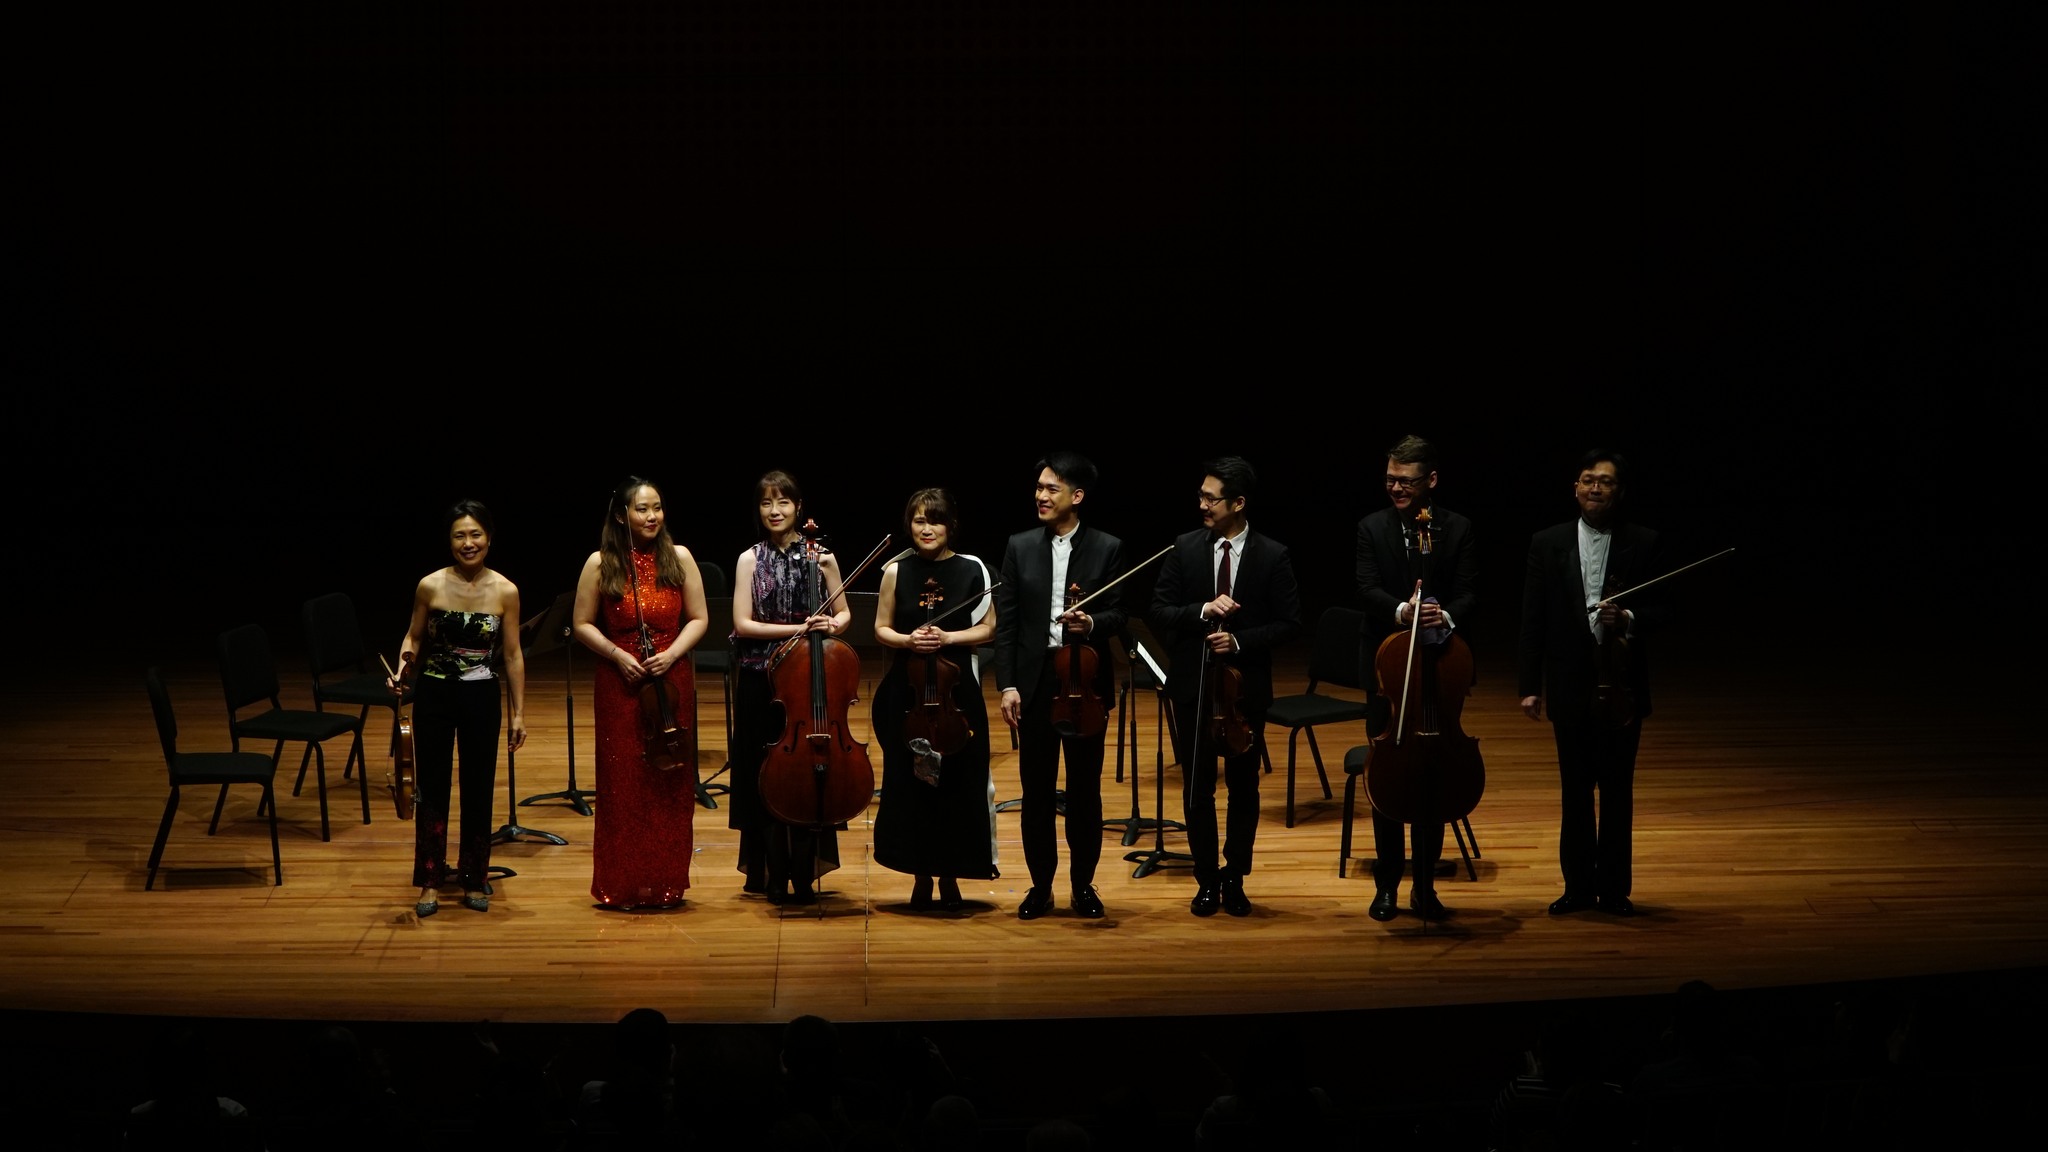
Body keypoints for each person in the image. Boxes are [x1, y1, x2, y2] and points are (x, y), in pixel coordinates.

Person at [1149, 457, 1300, 918]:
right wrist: (1202, 610)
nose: (1202, 505)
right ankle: (1206, 878)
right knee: (1198, 789)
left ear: (1238, 503)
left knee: (1243, 788)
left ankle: (1235, 876)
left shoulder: (1272, 555)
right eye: (1201, 495)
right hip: (1193, 686)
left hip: (1243, 691)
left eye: (1211, 498)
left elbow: (1289, 623)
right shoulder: (1184, 547)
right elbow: (1159, 609)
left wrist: (1238, 641)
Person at [1518, 450, 1668, 916]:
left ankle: (1615, 891)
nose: (1595, 488)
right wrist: (1530, 684)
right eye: (1588, 480)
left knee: (1618, 791)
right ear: (1576, 488)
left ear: (1619, 492)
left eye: (1605, 481)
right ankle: (1578, 888)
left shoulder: (1644, 541)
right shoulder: (1547, 542)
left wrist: (1629, 618)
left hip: (1622, 688)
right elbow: (1533, 618)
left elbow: (1667, 611)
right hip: (1569, 686)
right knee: (1576, 791)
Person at [993, 452, 1126, 920]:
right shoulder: (1020, 545)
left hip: (1084, 678)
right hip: (1034, 681)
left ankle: (1083, 886)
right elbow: (1007, 624)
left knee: (1085, 791)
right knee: (1036, 791)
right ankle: (1041, 886)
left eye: (1051, 488)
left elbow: (1118, 613)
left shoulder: (1107, 547)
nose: (1041, 496)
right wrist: (1007, 684)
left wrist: (1092, 622)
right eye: (1039, 488)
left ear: (1077, 496)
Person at [1354, 434, 1478, 922]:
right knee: (1388, 774)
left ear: (1431, 480)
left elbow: (1469, 591)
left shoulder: (1457, 528)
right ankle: (1386, 884)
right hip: (1386, 669)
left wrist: (1443, 615)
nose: (1396, 489)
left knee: (1434, 774)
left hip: (1440, 666)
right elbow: (1366, 587)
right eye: (1390, 480)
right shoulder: (1371, 527)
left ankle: (1425, 886)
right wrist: (1403, 611)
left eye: (1406, 481)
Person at [572, 476, 708, 910]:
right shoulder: (600, 562)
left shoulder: (679, 556)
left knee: (670, 780)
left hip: (670, 679)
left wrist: (672, 655)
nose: (652, 516)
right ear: (620, 515)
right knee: (624, 784)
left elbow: (699, 618)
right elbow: (581, 624)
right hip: (620, 681)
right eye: (642, 509)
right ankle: (623, 884)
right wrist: (617, 655)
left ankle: (666, 882)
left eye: (657, 508)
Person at [396, 498, 526, 918]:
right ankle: (430, 879)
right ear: (449, 541)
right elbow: (414, 637)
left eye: (475, 535)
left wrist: (518, 713)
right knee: (431, 789)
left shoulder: (505, 590)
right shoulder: (430, 585)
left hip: (481, 696)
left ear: (489, 538)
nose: (468, 543)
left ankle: (474, 876)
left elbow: (512, 655)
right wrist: (403, 669)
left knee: (478, 788)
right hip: (434, 693)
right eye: (459, 536)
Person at [872, 488, 999, 910]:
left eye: (936, 521)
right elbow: (881, 628)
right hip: (907, 692)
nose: (927, 529)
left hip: (956, 691)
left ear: (951, 526)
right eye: (919, 521)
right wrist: (908, 640)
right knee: (911, 783)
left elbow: (989, 629)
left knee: (959, 782)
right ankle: (920, 874)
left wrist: (949, 637)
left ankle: (951, 874)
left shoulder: (973, 569)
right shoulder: (896, 570)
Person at [730, 471, 847, 905]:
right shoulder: (748, 559)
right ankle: (774, 872)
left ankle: (803, 871)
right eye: (766, 503)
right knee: (764, 774)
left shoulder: (823, 558)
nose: (774, 510)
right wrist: (800, 628)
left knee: (806, 775)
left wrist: (830, 624)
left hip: (809, 679)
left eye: (782, 502)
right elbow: (743, 624)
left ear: (799, 507)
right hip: (761, 680)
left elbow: (844, 614)